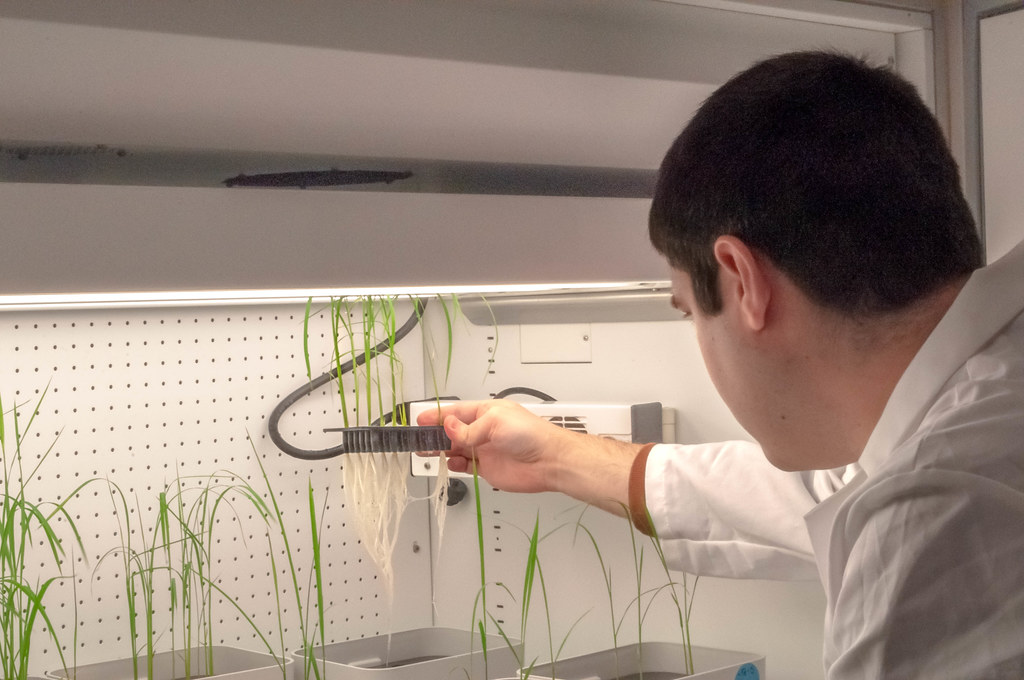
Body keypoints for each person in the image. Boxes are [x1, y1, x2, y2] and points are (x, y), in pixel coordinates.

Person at [418, 51, 1024, 678]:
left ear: (741, 281)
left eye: (687, 310)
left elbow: (890, 495)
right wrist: (551, 454)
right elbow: (826, 492)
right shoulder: (982, 406)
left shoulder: (940, 518)